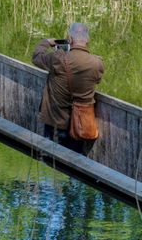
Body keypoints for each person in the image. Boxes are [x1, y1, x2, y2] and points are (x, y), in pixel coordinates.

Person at [32, 23, 104, 154]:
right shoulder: (97, 63)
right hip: (81, 124)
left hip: (56, 121)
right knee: (75, 163)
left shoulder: (57, 58)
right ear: (87, 40)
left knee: (51, 161)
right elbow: (97, 79)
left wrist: (46, 42)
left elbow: (36, 57)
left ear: (69, 39)